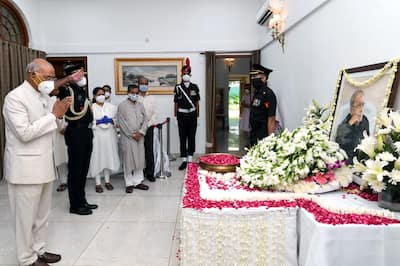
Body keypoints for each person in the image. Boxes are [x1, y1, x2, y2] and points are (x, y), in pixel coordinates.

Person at [3, 58, 80, 266]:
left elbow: (53, 125)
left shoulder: (43, 96)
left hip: (45, 165)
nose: (50, 82)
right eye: (47, 77)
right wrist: (54, 115)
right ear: (32, 75)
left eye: (52, 78)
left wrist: (60, 114)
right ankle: (26, 259)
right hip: (25, 169)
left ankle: (39, 250)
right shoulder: (15, 98)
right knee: (25, 218)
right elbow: (25, 133)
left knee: (42, 216)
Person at [58, 63, 98, 215]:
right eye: (79, 74)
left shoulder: (80, 90)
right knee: (76, 169)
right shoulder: (66, 90)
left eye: (82, 74)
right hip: (76, 133)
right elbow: (52, 90)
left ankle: (82, 200)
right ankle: (75, 205)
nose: (82, 77)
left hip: (86, 132)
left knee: (83, 169)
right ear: (71, 76)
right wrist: (66, 80)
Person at [117, 84, 149, 193]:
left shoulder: (140, 105)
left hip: (140, 136)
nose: (135, 95)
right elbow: (121, 122)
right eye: (133, 93)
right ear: (128, 93)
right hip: (128, 138)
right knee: (128, 160)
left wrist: (141, 132)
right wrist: (132, 134)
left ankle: (138, 181)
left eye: (136, 93)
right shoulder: (122, 105)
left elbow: (146, 119)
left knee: (140, 159)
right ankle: (129, 183)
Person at [88, 87, 120, 193]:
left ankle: (107, 181)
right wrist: (96, 122)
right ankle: (98, 183)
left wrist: (111, 121)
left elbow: (116, 120)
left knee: (107, 157)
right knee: (97, 157)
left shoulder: (111, 107)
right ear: (94, 96)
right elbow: (87, 123)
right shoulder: (90, 107)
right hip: (97, 136)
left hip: (109, 136)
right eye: (99, 94)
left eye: (103, 94)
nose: (101, 96)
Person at [174, 57, 200, 170]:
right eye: (184, 73)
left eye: (187, 73)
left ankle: (190, 157)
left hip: (192, 115)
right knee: (182, 137)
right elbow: (175, 102)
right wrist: (175, 116)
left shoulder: (195, 87)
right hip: (181, 116)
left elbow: (197, 102)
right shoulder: (178, 87)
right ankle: (184, 159)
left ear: (190, 74)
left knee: (192, 137)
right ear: (181, 74)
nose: (186, 75)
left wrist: (197, 115)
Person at [336, 89, 370, 162]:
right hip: (346, 157)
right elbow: (339, 138)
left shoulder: (365, 120)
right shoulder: (347, 120)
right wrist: (350, 124)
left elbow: (367, 139)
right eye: (358, 105)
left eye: (362, 105)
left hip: (361, 158)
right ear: (352, 108)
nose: (361, 109)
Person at [249, 63, 277, 147]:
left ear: (264, 78)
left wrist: (270, 141)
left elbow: (271, 118)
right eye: (252, 77)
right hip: (254, 132)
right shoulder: (257, 93)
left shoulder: (268, 94)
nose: (252, 79)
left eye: (255, 77)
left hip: (263, 134)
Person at [138, 76, 158, 182]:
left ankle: (150, 173)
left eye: (145, 84)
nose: (144, 85)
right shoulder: (135, 97)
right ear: (138, 84)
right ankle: (139, 174)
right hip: (137, 128)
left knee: (149, 151)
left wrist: (148, 124)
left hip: (149, 127)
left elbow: (155, 113)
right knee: (138, 152)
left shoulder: (152, 98)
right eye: (142, 83)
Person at [239, 84, 251, 150]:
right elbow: (242, 103)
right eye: (245, 88)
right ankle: (247, 143)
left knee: (250, 127)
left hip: (250, 112)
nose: (246, 90)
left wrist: (248, 105)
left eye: (247, 88)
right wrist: (245, 104)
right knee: (245, 127)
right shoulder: (244, 96)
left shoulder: (252, 96)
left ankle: (250, 143)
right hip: (246, 112)